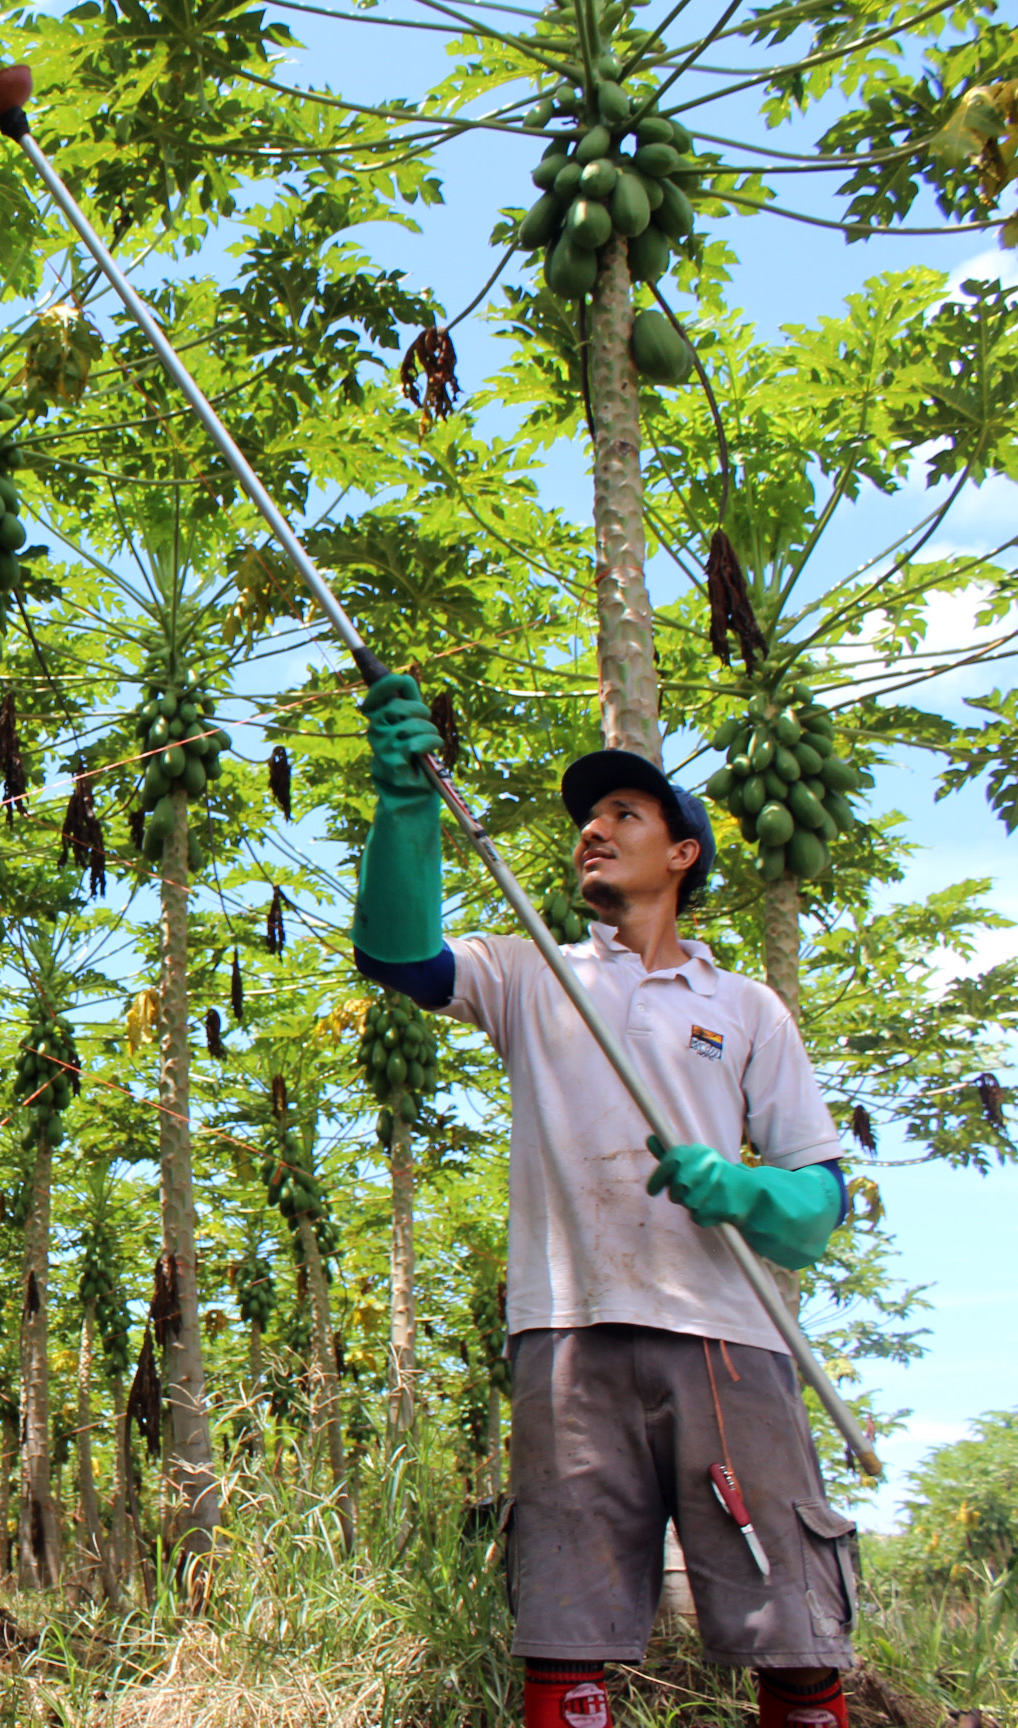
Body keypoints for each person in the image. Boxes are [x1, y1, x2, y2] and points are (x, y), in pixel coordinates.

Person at [349, 674, 856, 1728]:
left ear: (683, 855)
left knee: (791, 1626)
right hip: (566, 1332)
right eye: (588, 817)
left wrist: (743, 1188)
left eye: (625, 814)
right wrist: (404, 802)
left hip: (727, 1341)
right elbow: (399, 956)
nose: (594, 829)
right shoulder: (534, 974)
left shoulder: (747, 1007)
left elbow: (815, 1208)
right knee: (566, 1628)